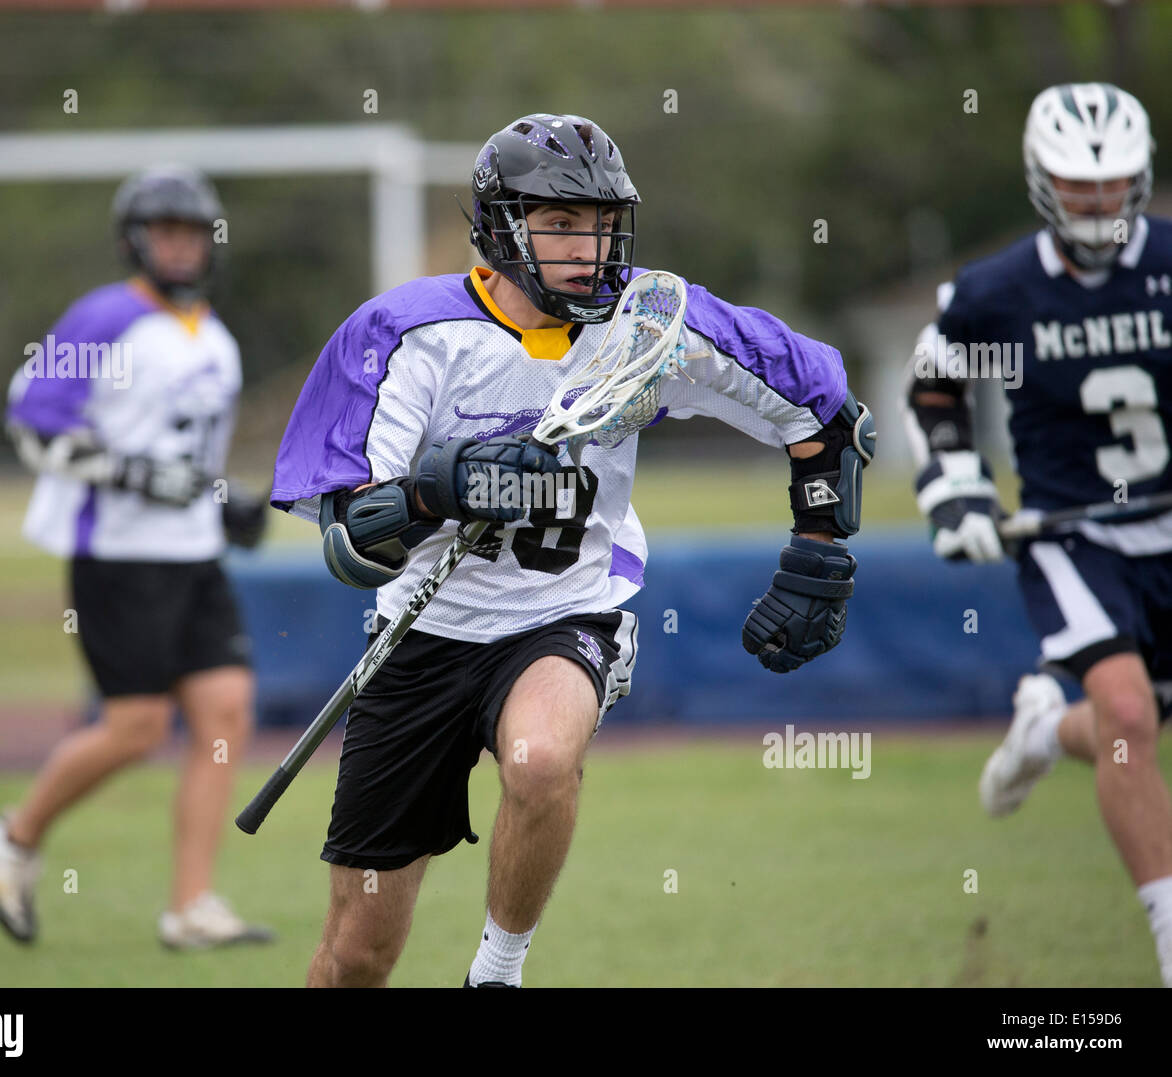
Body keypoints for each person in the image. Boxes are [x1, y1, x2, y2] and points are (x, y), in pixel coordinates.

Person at [271, 113, 874, 987]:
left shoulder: (648, 324)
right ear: (498, 228)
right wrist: (440, 488)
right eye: (559, 223)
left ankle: (497, 973)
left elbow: (819, 403)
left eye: (598, 223)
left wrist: (817, 549)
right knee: (356, 957)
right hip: (422, 630)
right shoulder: (407, 333)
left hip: (565, 611)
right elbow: (353, 543)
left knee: (541, 758)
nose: (586, 246)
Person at [902, 83, 1172, 987]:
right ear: (1043, 180)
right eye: (1080, 185)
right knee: (1132, 713)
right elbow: (933, 390)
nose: (1097, 204)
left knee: (1136, 723)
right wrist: (959, 491)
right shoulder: (998, 293)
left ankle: (1048, 730)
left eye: (1113, 184)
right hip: (1074, 533)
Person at [0, 164, 273, 950]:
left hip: (192, 554)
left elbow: (187, 460)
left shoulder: (214, 333)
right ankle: (16, 832)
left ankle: (191, 905)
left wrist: (224, 498)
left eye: (191, 232)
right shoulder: (103, 318)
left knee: (226, 712)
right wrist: (131, 472)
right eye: (165, 231)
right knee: (138, 726)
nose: (179, 247)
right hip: (118, 554)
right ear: (135, 241)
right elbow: (32, 425)